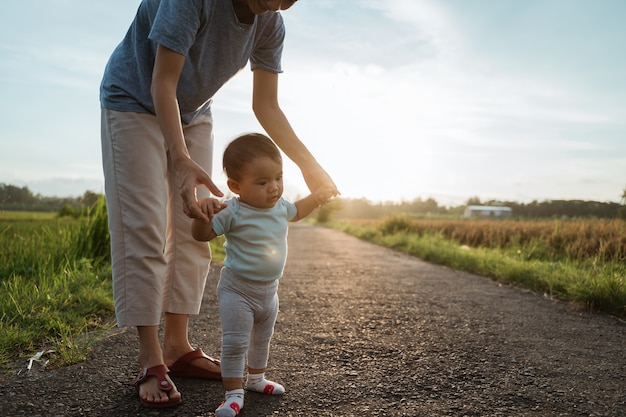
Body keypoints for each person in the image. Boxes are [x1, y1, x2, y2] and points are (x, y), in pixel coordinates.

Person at [99, 0, 338, 409]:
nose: (282, 3)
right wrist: (180, 160)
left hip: (193, 111)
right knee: (145, 227)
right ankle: (150, 357)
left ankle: (177, 346)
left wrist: (309, 166)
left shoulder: (270, 24)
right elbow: (163, 82)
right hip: (134, 99)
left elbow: (266, 105)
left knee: (202, 220)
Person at [191, 133, 333, 417]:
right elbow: (201, 235)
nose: (274, 188)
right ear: (235, 186)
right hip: (237, 290)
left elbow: (297, 212)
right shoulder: (232, 210)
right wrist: (201, 215)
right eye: (263, 182)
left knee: (261, 339)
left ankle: (256, 379)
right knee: (235, 342)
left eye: (278, 178)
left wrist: (316, 198)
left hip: (270, 291)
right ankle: (232, 394)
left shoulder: (280, 206)